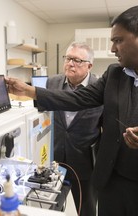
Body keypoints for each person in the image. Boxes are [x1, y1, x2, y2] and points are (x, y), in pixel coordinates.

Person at [5, 5, 138, 216]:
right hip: (111, 183)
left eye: (118, 40)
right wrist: (31, 91)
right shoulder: (115, 73)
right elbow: (80, 97)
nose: (113, 48)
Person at [46, 41, 103, 216]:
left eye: (77, 60)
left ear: (89, 65)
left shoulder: (100, 88)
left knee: (86, 209)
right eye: (68, 58)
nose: (70, 63)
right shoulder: (52, 82)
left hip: (85, 163)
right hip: (56, 160)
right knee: (51, 207)